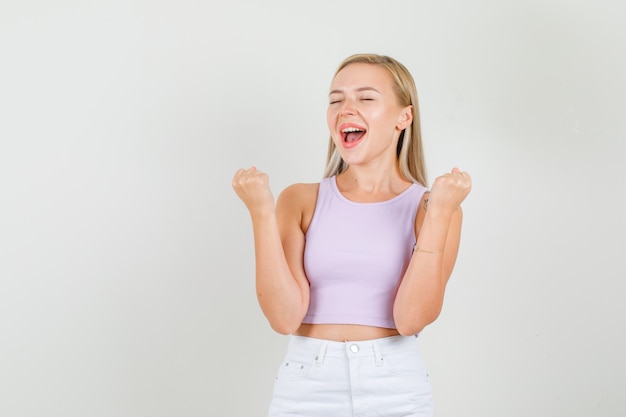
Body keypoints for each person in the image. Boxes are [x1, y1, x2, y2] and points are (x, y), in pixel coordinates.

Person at [232, 53, 471, 417]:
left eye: (366, 98)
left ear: (403, 117)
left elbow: (410, 319)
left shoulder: (435, 208)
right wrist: (260, 213)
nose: (346, 109)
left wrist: (438, 214)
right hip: (306, 385)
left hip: (396, 386)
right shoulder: (299, 200)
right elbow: (284, 318)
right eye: (335, 99)